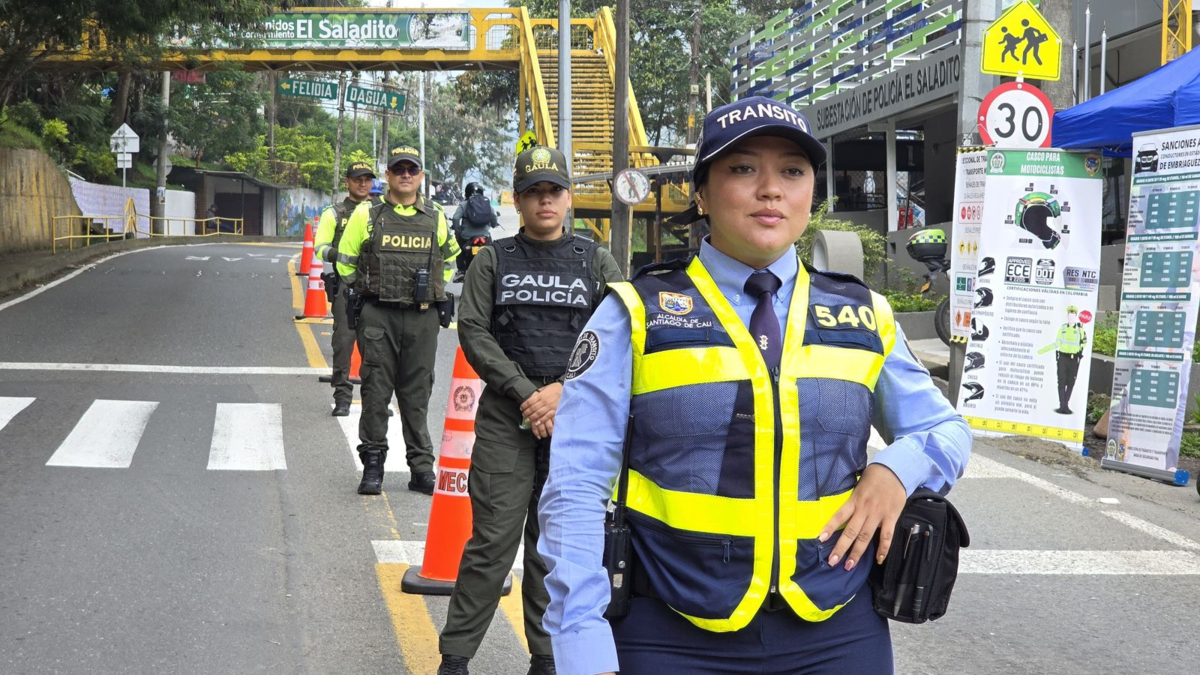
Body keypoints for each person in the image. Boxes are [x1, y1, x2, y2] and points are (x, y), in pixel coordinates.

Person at [536, 96, 972, 675]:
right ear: (701, 193)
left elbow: (946, 429)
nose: (771, 190)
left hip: (836, 627)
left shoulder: (863, 313)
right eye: (743, 169)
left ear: (811, 192)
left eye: (792, 171)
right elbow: (575, 486)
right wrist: (581, 643)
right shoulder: (634, 314)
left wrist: (898, 469)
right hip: (669, 630)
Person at [437, 146, 623, 675]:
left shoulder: (596, 261)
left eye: (554, 191)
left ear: (569, 198)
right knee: (492, 542)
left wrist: (565, 390)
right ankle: (455, 658)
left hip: (574, 418)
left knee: (555, 545)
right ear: (517, 201)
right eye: (533, 192)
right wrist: (526, 392)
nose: (545, 200)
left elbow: (618, 333)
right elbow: (474, 332)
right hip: (507, 416)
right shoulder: (493, 260)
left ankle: (546, 658)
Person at [336, 146, 461, 496]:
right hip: (379, 315)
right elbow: (345, 262)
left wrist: (431, 290)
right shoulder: (367, 214)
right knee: (376, 390)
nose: (405, 175)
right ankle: (373, 464)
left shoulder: (435, 215)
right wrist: (368, 288)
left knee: (417, 393)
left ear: (420, 176)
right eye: (399, 169)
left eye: (412, 170)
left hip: (422, 317)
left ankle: (421, 468)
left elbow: (449, 260)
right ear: (388, 175)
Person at [314, 161, 376, 417]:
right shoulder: (334, 214)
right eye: (357, 179)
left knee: (377, 346)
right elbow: (320, 248)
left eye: (367, 179)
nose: (362, 183)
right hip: (347, 286)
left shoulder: (381, 211)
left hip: (376, 288)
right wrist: (346, 256)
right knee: (343, 342)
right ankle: (342, 397)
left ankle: (376, 400)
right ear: (347, 182)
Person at [451, 181, 501, 281]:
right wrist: (493, 225)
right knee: (492, 249)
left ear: (467, 192)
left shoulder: (463, 204)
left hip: (467, 237)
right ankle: (494, 269)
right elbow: (494, 216)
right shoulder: (486, 203)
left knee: (458, 248)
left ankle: (461, 270)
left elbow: (456, 218)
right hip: (484, 237)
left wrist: (458, 231)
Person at [1045, 304, 1087, 414]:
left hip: (1073, 358)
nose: (1071, 317)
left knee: (1071, 381)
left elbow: (1084, 343)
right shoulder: (1063, 328)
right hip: (1063, 357)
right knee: (1061, 380)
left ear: (1076, 316)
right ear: (1067, 316)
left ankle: (1066, 405)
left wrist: (1080, 348)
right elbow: (1058, 342)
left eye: (1073, 315)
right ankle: (1062, 405)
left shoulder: (1080, 329)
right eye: (1069, 315)